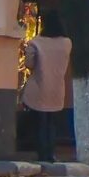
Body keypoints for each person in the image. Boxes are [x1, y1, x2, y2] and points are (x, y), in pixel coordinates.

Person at [20, 28, 70, 164]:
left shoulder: (36, 43)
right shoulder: (66, 43)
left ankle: (41, 154)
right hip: (57, 89)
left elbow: (29, 64)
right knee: (51, 122)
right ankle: (50, 153)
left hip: (38, 88)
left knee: (39, 122)